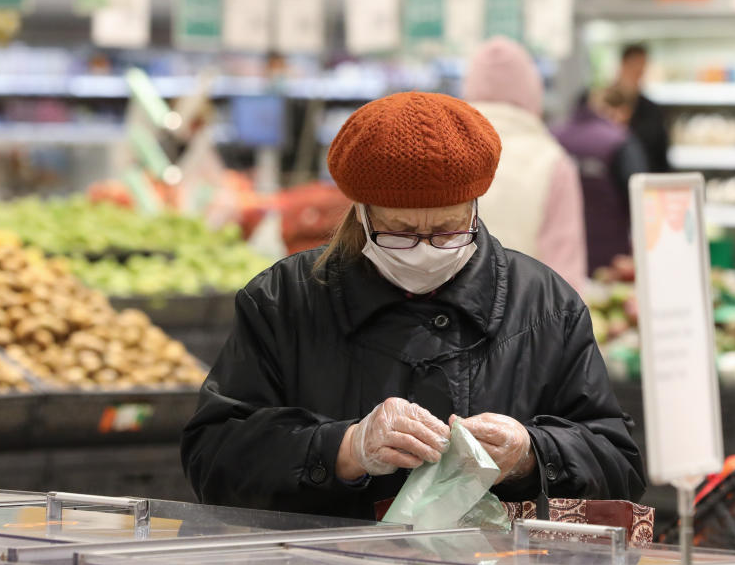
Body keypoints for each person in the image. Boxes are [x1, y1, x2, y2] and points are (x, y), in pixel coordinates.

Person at [181, 92, 645, 519]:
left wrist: (530, 454)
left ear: (475, 206)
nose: (426, 249)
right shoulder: (283, 300)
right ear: (361, 213)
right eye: (400, 231)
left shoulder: (545, 306)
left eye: (447, 229)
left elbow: (618, 466)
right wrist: (344, 449)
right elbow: (213, 459)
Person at [462, 36, 587, 290]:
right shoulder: (553, 162)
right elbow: (564, 274)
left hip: (448, 320)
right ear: (532, 90)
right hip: (527, 319)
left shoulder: (445, 152)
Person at [553, 87, 648, 273]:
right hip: (611, 262)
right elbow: (642, 201)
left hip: (558, 260)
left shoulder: (551, 137)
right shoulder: (619, 142)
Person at [616, 43, 670, 173]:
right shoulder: (599, 104)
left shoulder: (651, 110)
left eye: (641, 68)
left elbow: (661, 155)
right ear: (623, 66)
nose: (638, 73)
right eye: (633, 67)